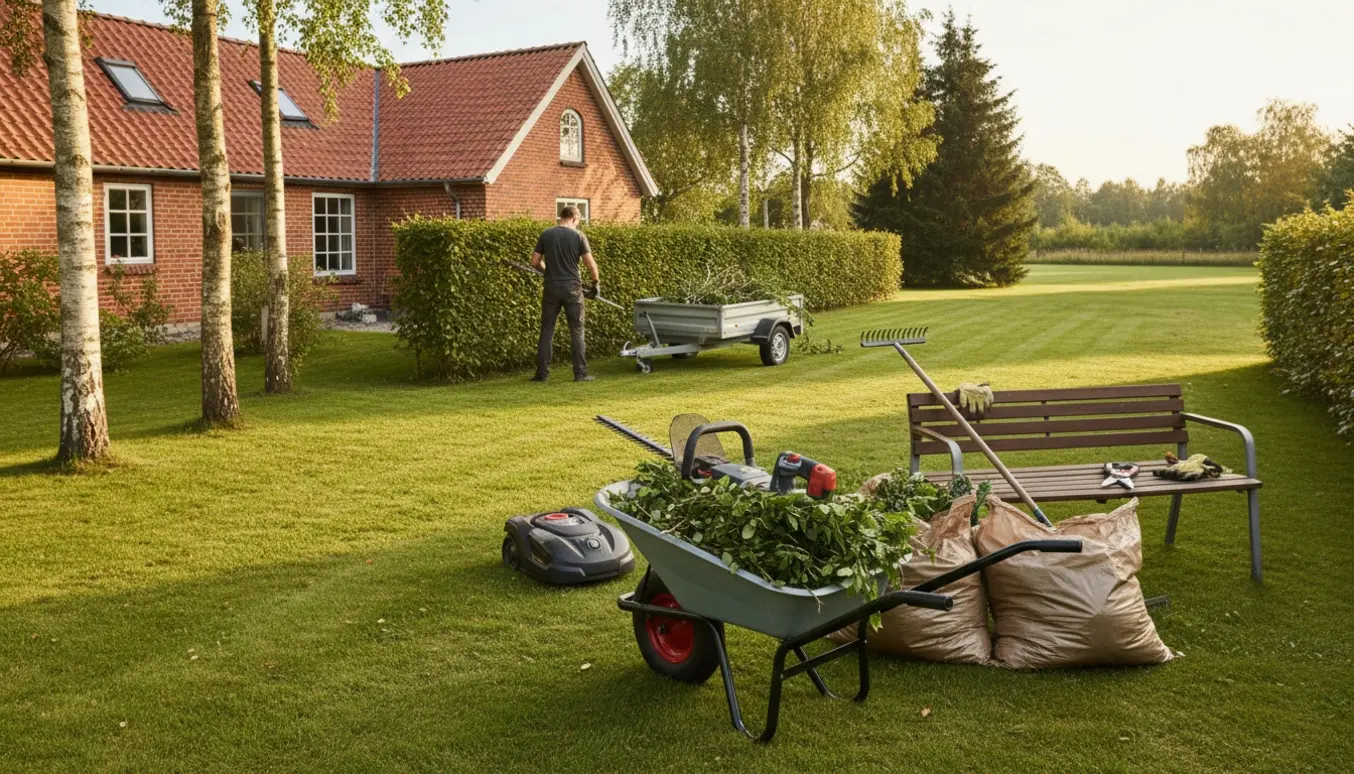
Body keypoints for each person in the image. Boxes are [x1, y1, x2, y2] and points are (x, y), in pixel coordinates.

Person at [529, 205, 599, 382]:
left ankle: (542, 374)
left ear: (562, 217)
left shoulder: (546, 234)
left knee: (547, 330)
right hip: (573, 289)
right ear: (574, 219)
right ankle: (580, 373)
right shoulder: (578, 236)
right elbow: (590, 263)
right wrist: (595, 284)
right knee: (576, 330)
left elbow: (535, 261)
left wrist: (546, 270)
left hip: (551, 288)